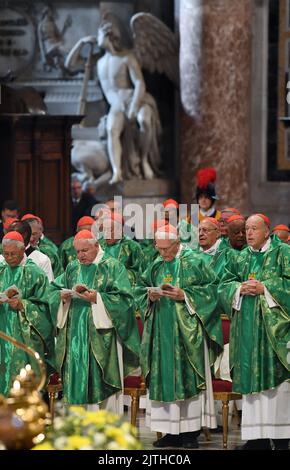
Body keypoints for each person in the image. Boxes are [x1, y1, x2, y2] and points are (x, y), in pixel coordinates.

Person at [135, 224, 223, 448]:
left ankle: (190, 433)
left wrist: (185, 295)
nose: (163, 253)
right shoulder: (156, 263)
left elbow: (213, 290)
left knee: (188, 378)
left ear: (177, 244)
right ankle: (170, 432)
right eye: (159, 248)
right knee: (164, 379)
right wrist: (150, 296)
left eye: (167, 249)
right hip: (161, 332)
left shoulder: (195, 261)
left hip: (187, 332)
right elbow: (139, 289)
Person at [218, 214, 290, 450]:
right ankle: (256, 437)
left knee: (277, 385)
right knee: (251, 381)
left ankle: (281, 438)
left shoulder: (283, 254)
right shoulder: (241, 258)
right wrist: (238, 289)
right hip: (247, 330)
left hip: (274, 333)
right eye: (247, 229)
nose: (249, 233)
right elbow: (223, 284)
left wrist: (265, 288)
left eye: (254, 229)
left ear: (267, 231)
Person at [50, 230, 140, 409]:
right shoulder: (73, 267)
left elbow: (125, 300)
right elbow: (53, 290)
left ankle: (105, 430)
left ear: (96, 246)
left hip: (102, 335)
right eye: (77, 252)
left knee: (101, 381)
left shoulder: (112, 266)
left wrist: (97, 298)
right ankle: (77, 428)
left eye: (85, 251)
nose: (80, 256)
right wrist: (63, 296)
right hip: (75, 335)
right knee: (77, 380)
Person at [65, 16, 161, 184]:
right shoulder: (97, 62)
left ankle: (145, 160)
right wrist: (80, 43)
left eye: (99, 34)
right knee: (112, 130)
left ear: (108, 36)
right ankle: (117, 171)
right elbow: (70, 65)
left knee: (144, 120)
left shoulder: (126, 57)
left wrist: (134, 105)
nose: (96, 37)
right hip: (116, 105)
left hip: (135, 99)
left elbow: (139, 83)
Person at [0, 231, 55, 396]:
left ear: (23, 249)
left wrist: (23, 305)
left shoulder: (34, 273)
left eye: (13, 254)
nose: (9, 258)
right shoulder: (1, 271)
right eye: (5, 254)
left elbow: (47, 306)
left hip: (26, 336)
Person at [101, 212, 143, 287]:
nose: (106, 234)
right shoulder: (99, 246)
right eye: (104, 230)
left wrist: (116, 276)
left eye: (110, 230)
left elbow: (140, 273)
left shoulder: (133, 247)